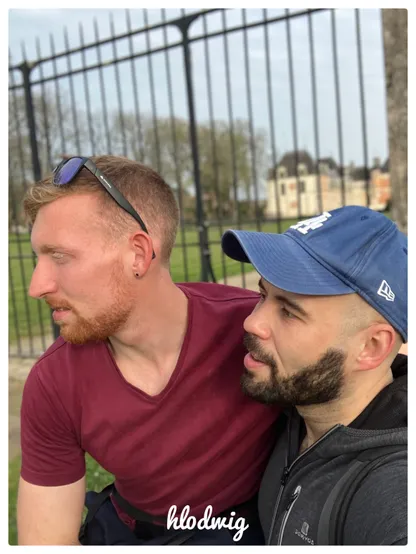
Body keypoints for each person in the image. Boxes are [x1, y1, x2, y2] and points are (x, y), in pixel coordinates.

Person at [17, 155, 281, 545]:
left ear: (138, 255)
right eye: (38, 258)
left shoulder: (253, 330)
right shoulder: (55, 380)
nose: (36, 286)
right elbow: (47, 541)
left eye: (60, 257)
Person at [221, 206, 407, 545]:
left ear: (371, 347)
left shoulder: (393, 489)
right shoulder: (299, 403)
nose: (252, 322)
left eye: (289, 312)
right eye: (263, 295)